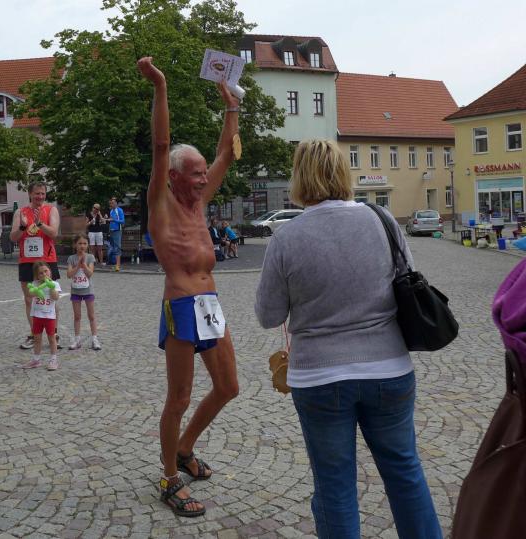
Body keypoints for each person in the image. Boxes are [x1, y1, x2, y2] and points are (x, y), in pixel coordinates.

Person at [254, 139, 441, 538]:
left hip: (320, 377)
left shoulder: (287, 237)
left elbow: (269, 315)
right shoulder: (383, 220)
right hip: (388, 368)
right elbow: (407, 280)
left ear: (299, 177)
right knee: (405, 473)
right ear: (343, 172)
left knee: (334, 485)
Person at [138, 56, 240, 517]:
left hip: (209, 302)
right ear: (174, 175)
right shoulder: (161, 201)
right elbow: (161, 145)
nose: (203, 178)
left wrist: (231, 105)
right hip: (180, 302)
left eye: (204, 173)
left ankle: (184, 448)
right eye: (195, 173)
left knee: (228, 387)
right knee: (178, 397)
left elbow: (227, 154)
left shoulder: (199, 200)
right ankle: (168, 476)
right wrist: (160, 85)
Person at [10, 181, 62, 350]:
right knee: (29, 299)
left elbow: (54, 233)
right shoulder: (20, 212)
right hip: (27, 261)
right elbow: (13, 237)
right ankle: (34, 334)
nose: (40, 196)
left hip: (46, 259)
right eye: (37, 193)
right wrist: (23, 227)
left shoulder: (51, 210)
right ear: (30, 194)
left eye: (43, 193)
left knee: (51, 297)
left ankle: (54, 333)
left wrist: (40, 224)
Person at [22, 261, 62, 371]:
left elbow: (55, 297)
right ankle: (36, 360)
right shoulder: (35, 283)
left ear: (50, 271)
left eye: (46, 271)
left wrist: (51, 287)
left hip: (49, 317)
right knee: (37, 339)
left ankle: (53, 359)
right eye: (41, 273)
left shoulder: (55, 284)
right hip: (37, 315)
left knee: (52, 339)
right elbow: (30, 294)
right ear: (37, 275)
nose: (44, 274)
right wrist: (36, 290)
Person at [66, 234, 101, 351]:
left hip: (88, 290)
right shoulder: (71, 258)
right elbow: (69, 274)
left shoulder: (90, 257)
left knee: (91, 315)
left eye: (85, 243)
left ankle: (95, 339)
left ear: (88, 245)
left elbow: (90, 273)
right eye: (80, 243)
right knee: (77, 316)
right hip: (75, 290)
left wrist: (84, 264)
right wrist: (77, 266)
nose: (82, 246)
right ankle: (77, 339)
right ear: (75, 245)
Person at [106, 197, 125, 271]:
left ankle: (118, 265)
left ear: (116, 203)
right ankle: (115, 264)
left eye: (113, 203)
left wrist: (113, 220)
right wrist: (106, 219)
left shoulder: (119, 210)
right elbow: (111, 221)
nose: (112, 204)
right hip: (111, 231)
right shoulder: (111, 211)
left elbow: (122, 221)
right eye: (111, 203)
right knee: (113, 247)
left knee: (117, 247)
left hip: (117, 230)